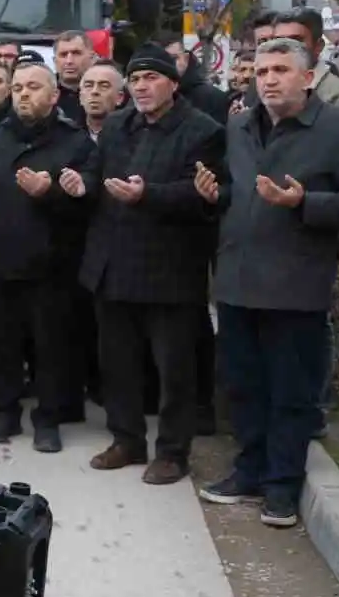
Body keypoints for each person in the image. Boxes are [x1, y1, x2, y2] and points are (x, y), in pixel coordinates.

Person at [196, 38, 339, 527]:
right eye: (263, 70)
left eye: (280, 70)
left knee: (291, 390)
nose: (267, 79)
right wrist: (214, 194)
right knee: (243, 385)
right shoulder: (240, 125)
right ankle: (248, 470)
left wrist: (305, 202)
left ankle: (282, 486)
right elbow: (238, 192)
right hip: (236, 278)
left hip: (296, 284)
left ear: (307, 77)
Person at [68, 44, 225, 485]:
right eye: (135, 80)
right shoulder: (118, 126)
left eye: (151, 78)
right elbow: (100, 174)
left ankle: (173, 452)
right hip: (112, 264)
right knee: (117, 362)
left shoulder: (202, 131)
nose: (141, 87)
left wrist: (148, 195)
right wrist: (83, 184)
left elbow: (204, 195)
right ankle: (127, 440)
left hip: (169, 270)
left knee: (173, 369)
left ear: (173, 84)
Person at [0, 62, 92, 453]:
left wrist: (50, 192)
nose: (23, 94)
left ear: (54, 96)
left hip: (50, 268)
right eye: (18, 87)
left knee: (50, 349)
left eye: (33, 87)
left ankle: (48, 420)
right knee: (3, 345)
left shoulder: (75, 143)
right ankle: (5, 413)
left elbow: (88, 207)